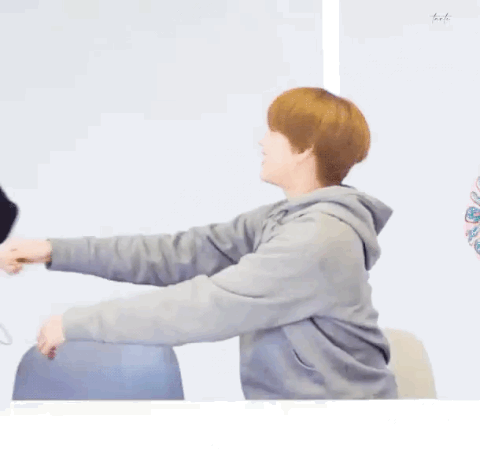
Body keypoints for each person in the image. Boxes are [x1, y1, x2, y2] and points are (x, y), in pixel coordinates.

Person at [0, 87, 398, 399]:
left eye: (274, 131)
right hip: (298, 421)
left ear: (305, 148)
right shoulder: (281, 220)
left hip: (343, 430)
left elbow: (208, 306)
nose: (263, 140)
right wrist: (53, 250)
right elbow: (176, 254)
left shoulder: (319, 238)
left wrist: (76, 323)